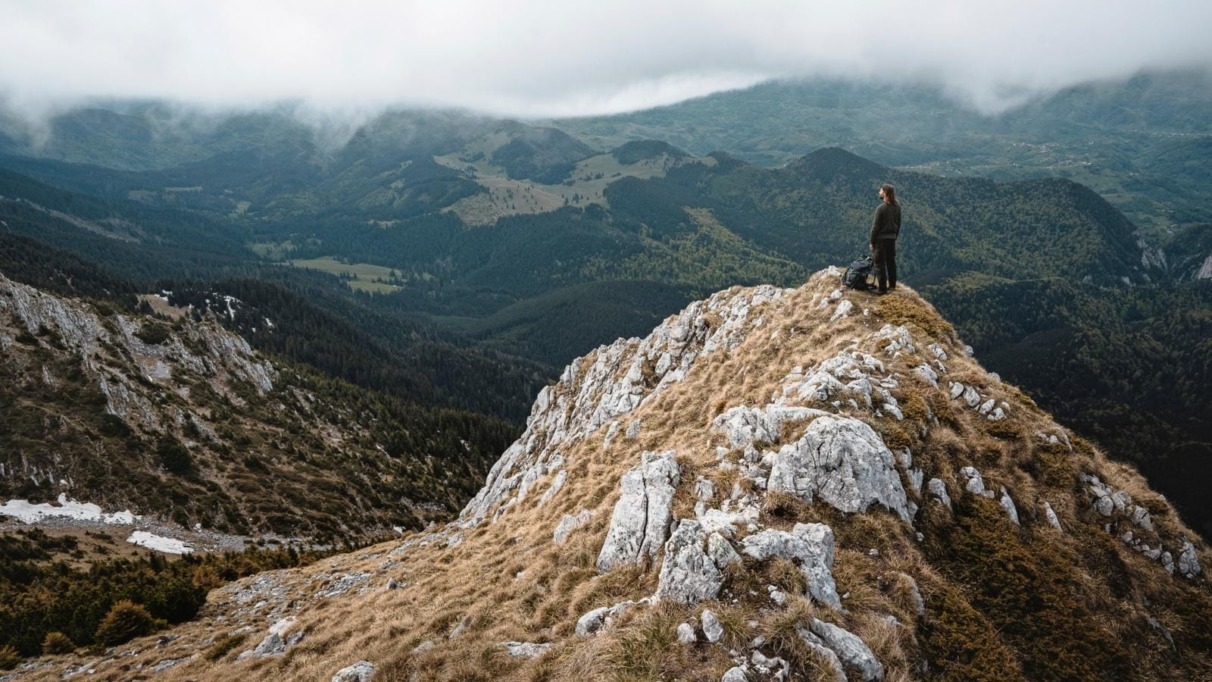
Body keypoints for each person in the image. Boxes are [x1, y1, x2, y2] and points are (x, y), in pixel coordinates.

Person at [869, 183, 901, 293]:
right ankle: (892, 285)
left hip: (881, 240)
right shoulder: (897, 207)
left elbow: (875, 227)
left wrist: (872, 242)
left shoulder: (881, 209)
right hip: (892, 238)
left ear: (885, 193)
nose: (879, 192)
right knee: (891, 262)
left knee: (879, 263)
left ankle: (882, 288)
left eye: (881, 190)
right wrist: (895, 238)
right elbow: (898, 224)